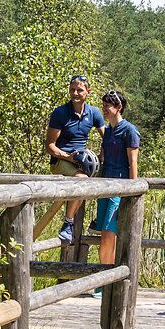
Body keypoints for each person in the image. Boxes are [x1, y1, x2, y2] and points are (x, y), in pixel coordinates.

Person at [43, 74, 102, 245]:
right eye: (72, 90)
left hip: (82, 161)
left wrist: (101, 157)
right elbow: (50, 146)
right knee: (82, 180)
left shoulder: (94, 112)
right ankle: (68, 224)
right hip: (61, 161)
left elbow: (107, 137)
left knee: (111, 174)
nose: (75, 93)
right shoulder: (60, 112)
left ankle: (99, 221)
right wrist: (69, 157)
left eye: (79, 90)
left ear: (88, 92)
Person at [93, 89, 140, 270]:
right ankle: (104, 278)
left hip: (120, 188)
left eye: (108, 105)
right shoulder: (108, 131)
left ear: (119, 107)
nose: (104, 108)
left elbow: (133, 162)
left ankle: (105, 280)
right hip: (104, 186)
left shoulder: (129, 130)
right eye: (103, 105)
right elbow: (102, 158)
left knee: (108, 233)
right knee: (104, 234)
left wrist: (131, 192)